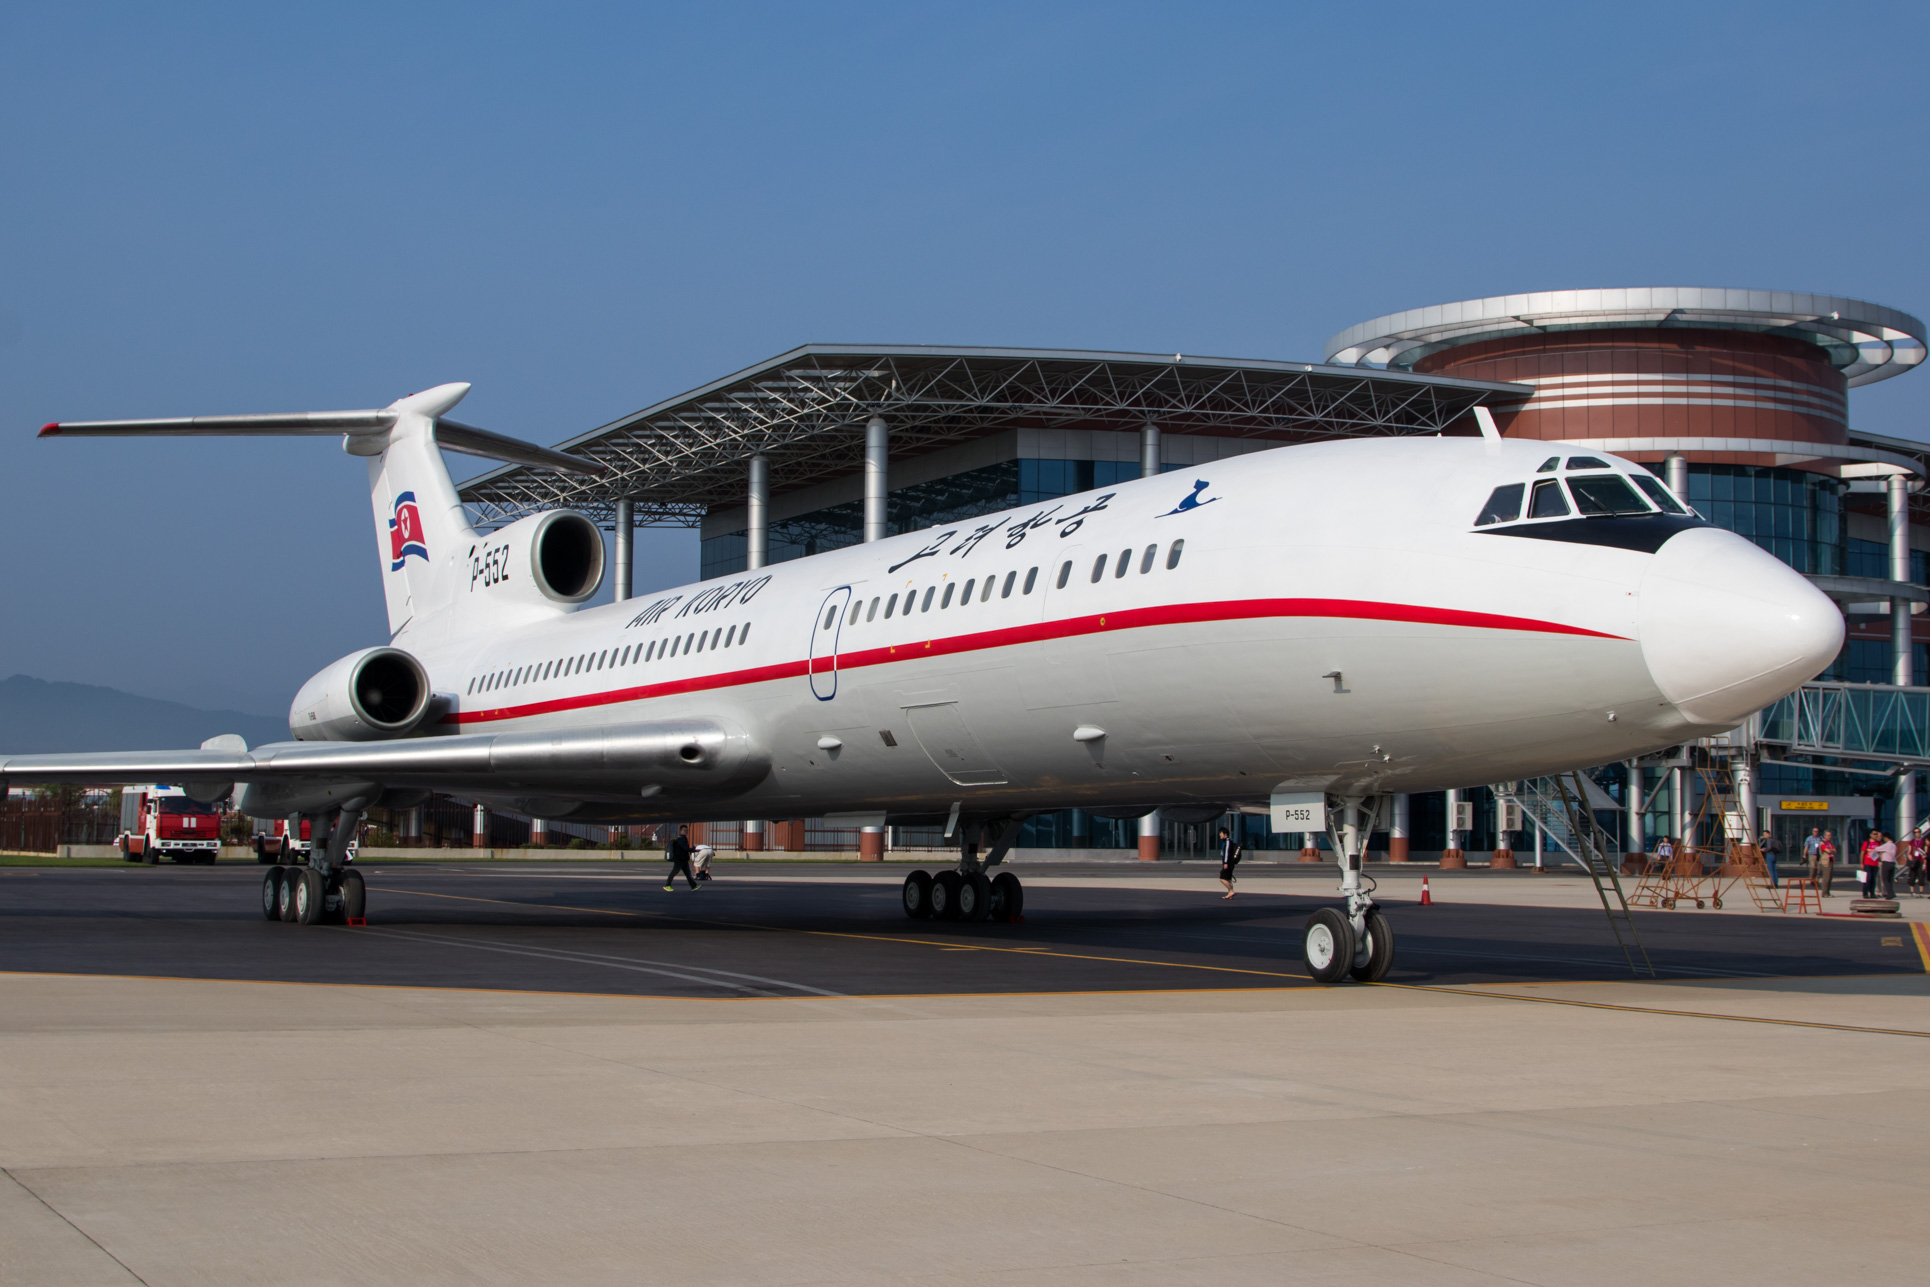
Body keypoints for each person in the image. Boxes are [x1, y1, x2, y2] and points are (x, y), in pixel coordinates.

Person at [663, 824, 700, 892]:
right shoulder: (680, 839)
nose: (686, 832)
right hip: (679, 859)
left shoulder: (684, 838)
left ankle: (694, 886)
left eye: (687, 830)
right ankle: (667, 885)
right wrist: (693, 849)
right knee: (674, 872)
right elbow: (685, 848)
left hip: (684, 859)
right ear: (680, 831)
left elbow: (685, 849)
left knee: (688, 873)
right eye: (684, 830)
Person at [1217, 826, 1243, 899]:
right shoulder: (1226, 842)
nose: (1220, 835)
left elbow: (1227, 853)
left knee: (1222, 878)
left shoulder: (1228, 842)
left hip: (1229, 863)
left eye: (1221, 833)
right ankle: (1230, 894)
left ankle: (1231, 891)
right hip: (1230, 863)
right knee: (1228, 879)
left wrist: (1225, 863)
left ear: (1226, 834)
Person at [1875, 830, 1898, 900]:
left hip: (1886, 863)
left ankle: (1890, 893)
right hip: (1892, 863)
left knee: (1885, 879)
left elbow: (1877, 849)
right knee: (1890, 879)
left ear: (1886, 838)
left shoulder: (1886, 845)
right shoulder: (1894, 845)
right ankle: (1891, 892)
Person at [1907, 832, 1927, 897]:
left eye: (1919, 832)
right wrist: (1909, 855)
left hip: (1921, 861)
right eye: (1916, 832)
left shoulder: (1923, 841)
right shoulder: (1912, 841)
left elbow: (1926, 852)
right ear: (1914, 834)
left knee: (1921, 876)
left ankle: (1921, 892)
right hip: (1914, 861)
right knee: (1912, 876)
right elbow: (1909, 851)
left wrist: (1925, 863)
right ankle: (1912, 892)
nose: (1917, 833)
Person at [1817, 830, 1836, 897]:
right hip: (1825, 862)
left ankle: (1828, 892)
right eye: (1828, 835)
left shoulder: (1830, 843)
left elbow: (1835, 850)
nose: (1829, 837)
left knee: (1830, 878)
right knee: (1826, 878)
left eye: (1830, 835)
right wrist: (1831, 851)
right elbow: (1827, 850)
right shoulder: (1822, 843)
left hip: (1831, 860)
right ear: (1825, 836)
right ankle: (1824, 893)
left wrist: (1831, 851)